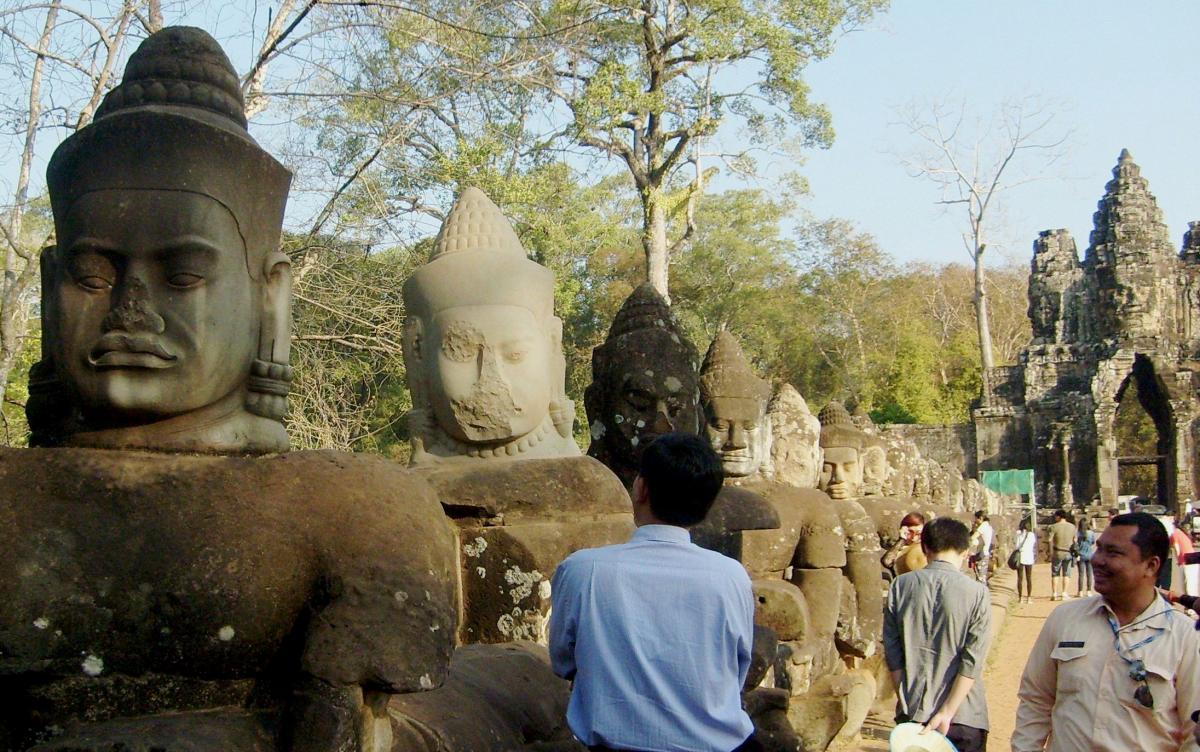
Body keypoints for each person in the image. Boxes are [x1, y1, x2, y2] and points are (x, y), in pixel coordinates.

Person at [548, 432, 758, 752]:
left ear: (641, 488)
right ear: (707, 503)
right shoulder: (731, 577)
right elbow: (736, 671)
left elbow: (564, 662)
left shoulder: (583, 571)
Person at [1012, 513, 1200, 752]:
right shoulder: (1065, 619)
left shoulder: (1185, 638)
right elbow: (1035, 702)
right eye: (1099, 549)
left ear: (1151, 565)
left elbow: (1194, 734)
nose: (1096, 559)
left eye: (1113, 553)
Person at [883, 517, 992, 752]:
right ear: (965, 551)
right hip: (963, 715)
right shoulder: (977, 593)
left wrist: (907, 701)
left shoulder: (900, 586)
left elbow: (893, 652)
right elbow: (972, 659)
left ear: (924, 548)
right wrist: (947, 711)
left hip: (912, 715)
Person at [882, 511, 928, 577]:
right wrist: (902, 539)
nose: (913, 537)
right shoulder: (898, 547)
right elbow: (887, 561)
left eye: (918, 533)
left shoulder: (926, 547)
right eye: (910, 532)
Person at [1047, 510, 1077, 601]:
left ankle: (1054, 593)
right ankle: (1064, 593)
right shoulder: (1072, 527)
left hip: (1057, 552)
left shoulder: (1053, 527)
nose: (1055, 518)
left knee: (1055, 573)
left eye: (1055, 516)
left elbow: (1049, 540)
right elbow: (1075, 540)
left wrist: (1050, 552)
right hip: (1068, 552)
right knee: (1066, 573)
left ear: (1059, 517)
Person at [1170, 519, 1198, 596]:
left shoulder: (1175, 533)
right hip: (1193, 558)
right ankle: (1191, 603)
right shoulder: (1182, 533)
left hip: (1186, 559)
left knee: (1188, 583)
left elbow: (1176, 547)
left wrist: (1179, 559)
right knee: (1191, 583)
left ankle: (1191, 604)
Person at [1015, 517, 1038, 603]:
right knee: (1029, 578)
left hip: (1020, 556)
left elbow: (1016, 546)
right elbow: (1033, 545)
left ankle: (1020, 598)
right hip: (1029, 556)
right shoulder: (1031, 534)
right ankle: (1029, 598)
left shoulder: (1018, 534)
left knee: (1020, 578)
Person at [970, 511, 995, 585]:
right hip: (985, 553)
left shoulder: (983, 526)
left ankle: (982, 594)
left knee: (980, 577)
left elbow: (972, 537)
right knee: (982, 576)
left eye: (976, 519)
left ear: (980, 518)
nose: (975, 521)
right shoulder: (988, 526)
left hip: (982, 554)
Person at [1076, 518, 1098, 597]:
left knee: (1081, 574)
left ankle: (1080, 591)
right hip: (1089, 555)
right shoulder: (1091, 533)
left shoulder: (1078, 533)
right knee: (1089, 574)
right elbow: (1093, 542)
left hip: (1080, 555)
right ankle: (1089, 590)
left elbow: (1076, 544)